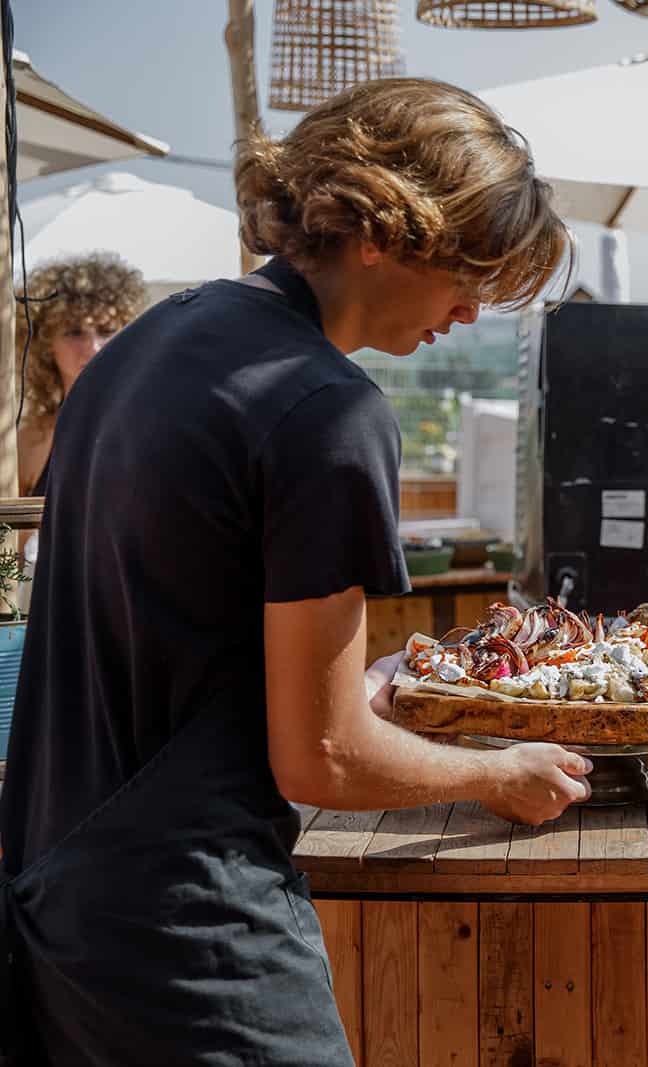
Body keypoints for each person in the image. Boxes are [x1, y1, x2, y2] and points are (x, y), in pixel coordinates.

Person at [0, 78, 589, 1065]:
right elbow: (322, 759)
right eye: (468, 267)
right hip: (191, 928)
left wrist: (356, 695)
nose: (471, 308)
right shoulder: (326, 407)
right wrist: (497, 773)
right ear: (380, 228)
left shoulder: (141, 348)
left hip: (53, 898)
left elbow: (170, 646)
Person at [12, 252, 147, 495]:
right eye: (74, 333)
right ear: (46, 344)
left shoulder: (152, 427)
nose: (93, 347)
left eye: (106, 330)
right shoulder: (29, 442)